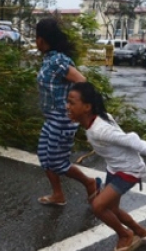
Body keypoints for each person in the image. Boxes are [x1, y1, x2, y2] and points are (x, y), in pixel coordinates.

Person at [66, 82, 146, 251]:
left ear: (87, 107)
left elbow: (133, 140)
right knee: (112, 208)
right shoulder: (94, 120)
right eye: (67, 102)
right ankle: (140, 232)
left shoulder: (100, 130)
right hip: (115, 168)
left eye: (71, 103)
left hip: (129, 170)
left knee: (98, 206)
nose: (67, 106)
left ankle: (125, 235)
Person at [35, 18, 100, 206]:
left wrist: (75, 107)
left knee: (57, 162)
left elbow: (82, 81)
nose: (35, 41)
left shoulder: (58, 61)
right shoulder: (49, 59)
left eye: (37, 37)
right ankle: (58, 195)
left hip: (62, 119)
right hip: (51, 117)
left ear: (42, 39)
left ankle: (90, 183)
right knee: (44, 157)